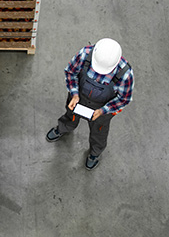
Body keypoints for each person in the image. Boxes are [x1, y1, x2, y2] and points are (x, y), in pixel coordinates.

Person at [46, 38, 134, 171]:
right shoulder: (84, 54)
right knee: (71, 115)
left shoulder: (125, 74)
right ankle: (64, 127)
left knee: (99, 131)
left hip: (102, 108)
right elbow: (71, 73)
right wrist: (74, 94)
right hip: (78, 98)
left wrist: (104, 110)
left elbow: (123, 99)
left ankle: (95, 153)